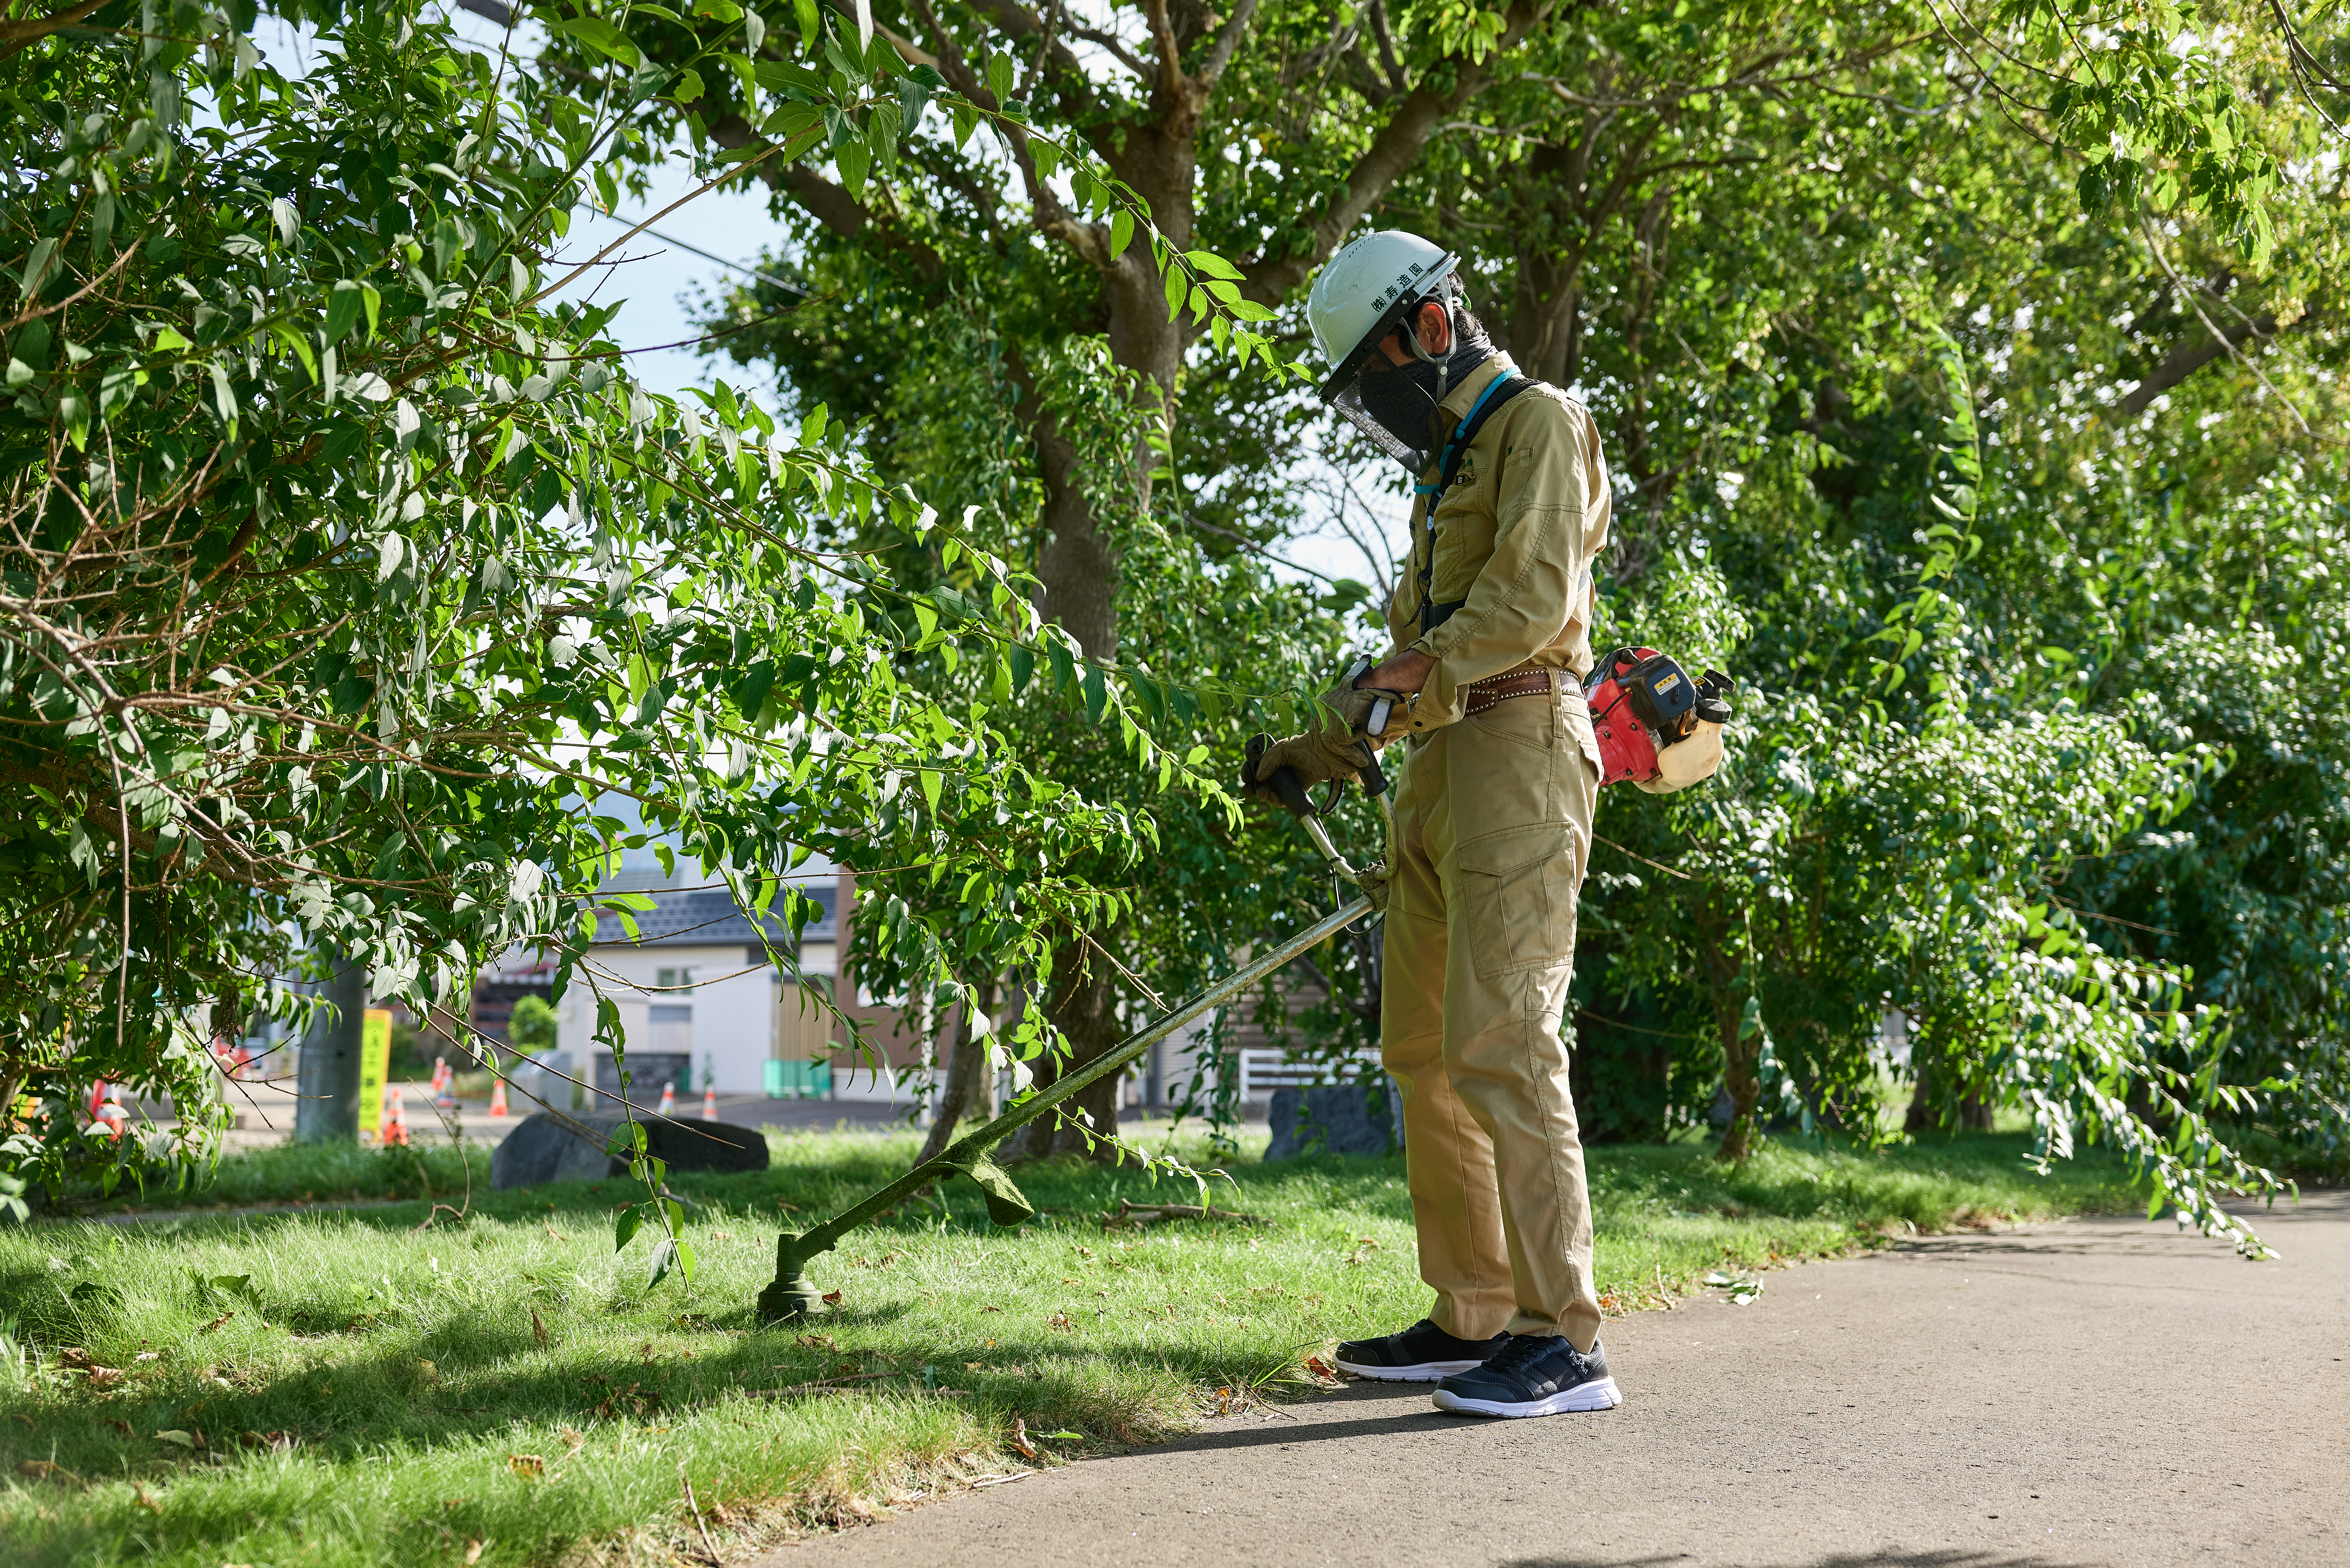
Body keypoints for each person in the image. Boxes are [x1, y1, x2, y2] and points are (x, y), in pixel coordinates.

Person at [1243, 231, 1621, 1418]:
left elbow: (1528, 602)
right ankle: (1473, 1315)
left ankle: (1564, 1341)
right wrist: (1319, 747)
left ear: (1431, 326)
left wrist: (1394, 680)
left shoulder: (1541, 423)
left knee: (1507, 1041)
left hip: (1521, 753)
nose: (1376, 400)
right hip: (1442, 765)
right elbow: (1423, 662)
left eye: (1375, 373)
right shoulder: (1446, 472)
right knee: (1423, 1048)